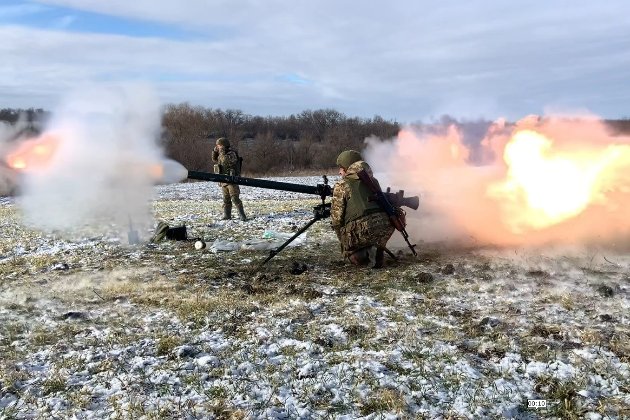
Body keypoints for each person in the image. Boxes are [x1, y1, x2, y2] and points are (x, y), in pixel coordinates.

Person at [330, 150, 394, 268]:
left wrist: (344, 243)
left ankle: (361, 256)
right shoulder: (373, 181)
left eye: (341, 168)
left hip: (362, 229)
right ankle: (375, 249)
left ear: (347, 168)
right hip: (384, 227)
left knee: (352, 255)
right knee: (369, 237)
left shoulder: (342, 185)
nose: (339, 172)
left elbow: (336, 220)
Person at [211, 137, 247, 221]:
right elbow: (214, 160)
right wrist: (215, 152)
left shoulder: (231, 153)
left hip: (231, 180)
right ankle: (227, 215)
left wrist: (222, 151)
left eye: (219, 145)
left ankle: (242, 215)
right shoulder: (221, 154)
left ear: (223, 145)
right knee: (226, 199)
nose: (218, 147)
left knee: (235, 198)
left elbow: (227, 161)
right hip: (223, 180)